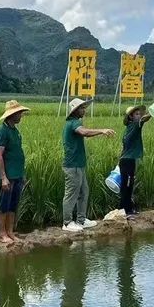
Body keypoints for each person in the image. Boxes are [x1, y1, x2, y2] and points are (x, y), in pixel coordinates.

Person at [61, 98, 115, 232]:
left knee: (84, 191)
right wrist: (102, 130)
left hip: (79, 164)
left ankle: (81, 220)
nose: (84, 110)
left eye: (84, 107)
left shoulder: (76, 122)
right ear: (75, 111)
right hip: (72, 165)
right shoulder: (73, 123)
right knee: (71, 193)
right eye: (82, 108)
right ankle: (67, 223)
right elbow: (84, 132)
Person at [0, 100, 30, 245]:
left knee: (13, 204)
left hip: (17, 174)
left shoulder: (15, 131)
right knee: (3, 205)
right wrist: (3, 178)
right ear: (12, 114)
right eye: (19, 113)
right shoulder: (2, 131)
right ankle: (2, 233)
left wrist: (22, 174)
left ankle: (10, 232)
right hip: (8, 176)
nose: (21, 115)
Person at [119, 104, 151, 216]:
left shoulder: (130, 127)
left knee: (129, 185)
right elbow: (144, 119)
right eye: (136, 114)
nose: (139, 116)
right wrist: (152, 113)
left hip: (128, 160)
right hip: (127, 161)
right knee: (127, 186)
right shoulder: (135, 125)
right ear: (131, 117)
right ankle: (126, 211)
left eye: (139, 114)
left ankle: (128, 209)